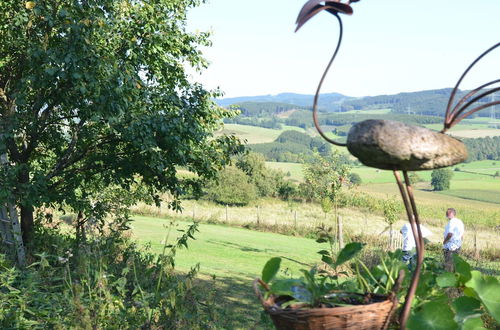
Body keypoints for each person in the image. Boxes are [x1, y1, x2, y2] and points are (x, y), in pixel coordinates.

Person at [443, 208, 464, 272]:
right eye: (447, 213)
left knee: (448, 264)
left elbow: (450, 234)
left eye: (448, 213)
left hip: (451, 246)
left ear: (453, 214)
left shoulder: (452, 222)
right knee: (454, 264)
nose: (447, 214)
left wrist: (444, 241)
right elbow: (462, 235)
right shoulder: (460, 222)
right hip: (458, 245)